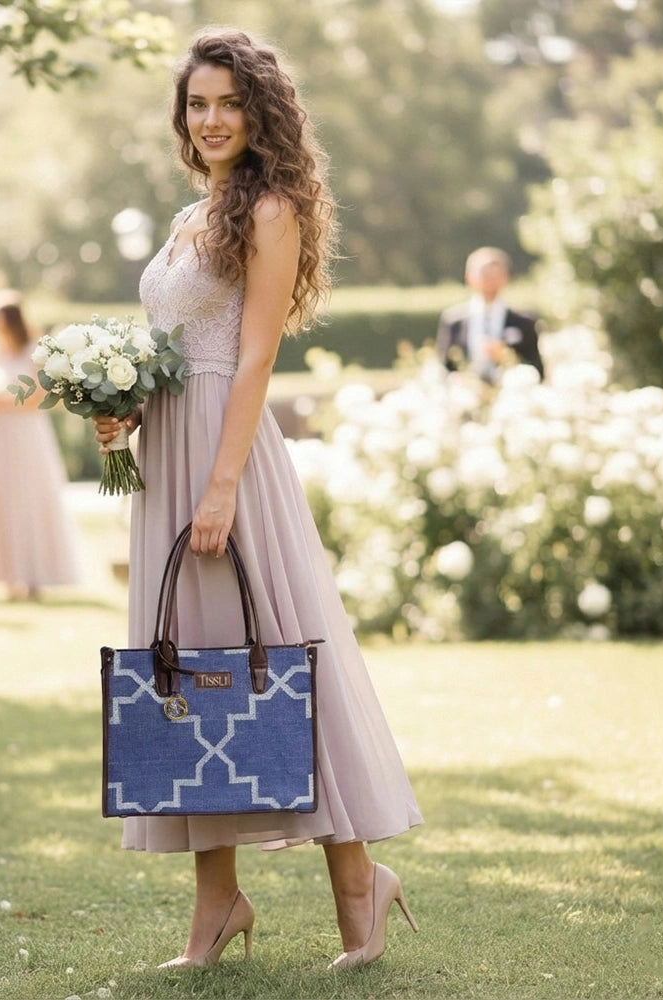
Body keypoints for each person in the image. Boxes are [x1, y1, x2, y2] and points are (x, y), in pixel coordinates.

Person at [92, 29, 422, 971]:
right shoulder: (185, 218)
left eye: (228, 102)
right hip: (168, 456)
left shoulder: (271, 209)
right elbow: (163, 350)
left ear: (258, 109)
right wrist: (116, 415)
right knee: (189, 681)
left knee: (282, 654)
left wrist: (223, 485)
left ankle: (361, 884)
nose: (211, 119)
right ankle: (216, 909)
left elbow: (255, 355)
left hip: (228, 462)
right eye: (197, 104)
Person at [0, 292, 83, 599]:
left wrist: (1, 401)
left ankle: (35, 575)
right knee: (1, 501)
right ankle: (8, 576)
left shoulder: (34, 352)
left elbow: (39, 399)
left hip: (27, 434)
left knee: (30, 499)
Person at [436, 246, 544, 383]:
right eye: (484, 274)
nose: (490, 280)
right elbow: (443, 366)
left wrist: (506, 357)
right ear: (469, 277)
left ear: (506, 277)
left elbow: (538, 370)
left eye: (495, 274)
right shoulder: (453, 320)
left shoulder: (525, 321)